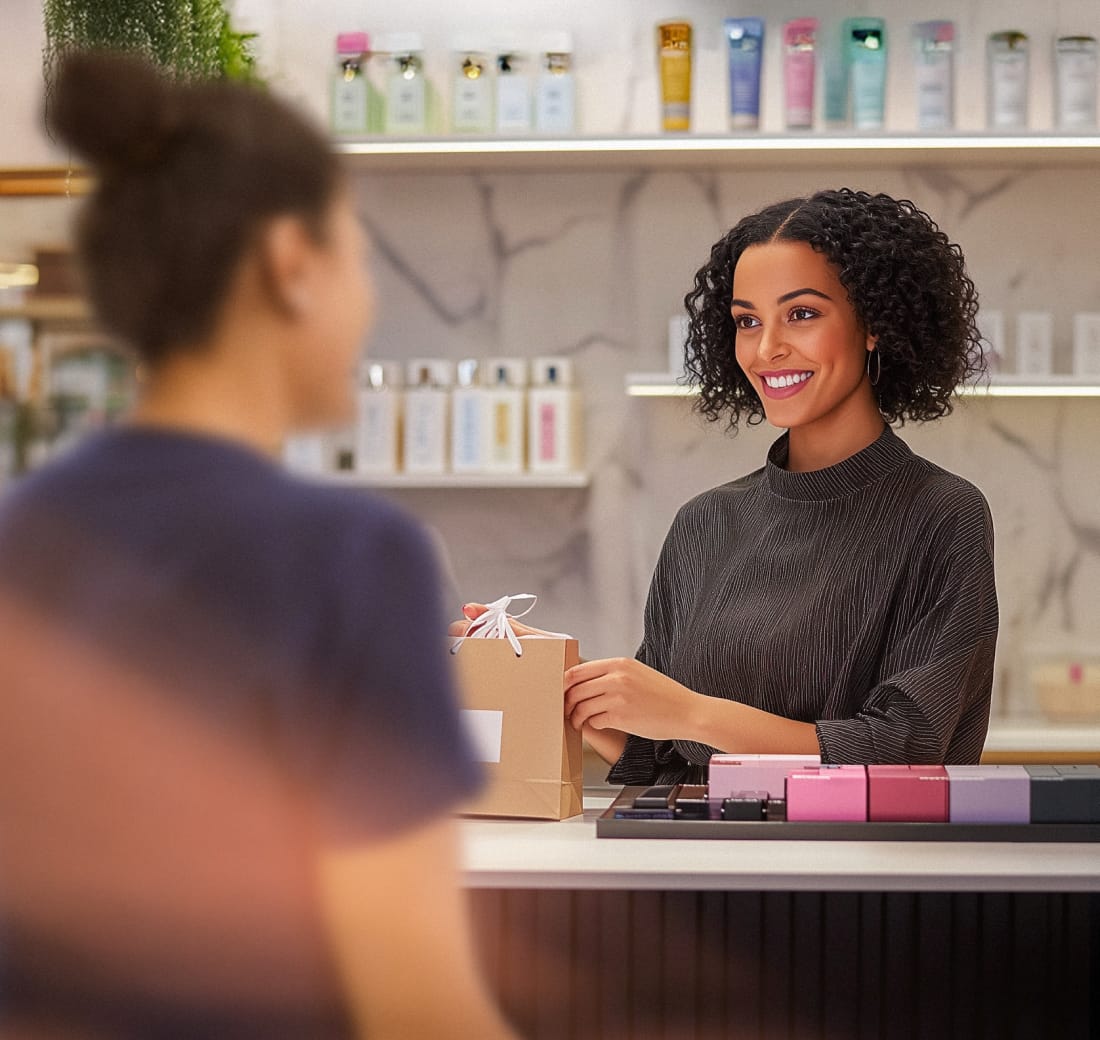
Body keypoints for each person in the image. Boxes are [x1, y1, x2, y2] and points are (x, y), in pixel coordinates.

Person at [0, 51, 516, 1039]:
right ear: (291, 263)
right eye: (356, 255)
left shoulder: (20, 532)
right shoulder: (350, 558)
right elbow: (418, 1011)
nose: (367, 302)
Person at [466, 189, 998, 785]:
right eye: (748, 321)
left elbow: (907, 750)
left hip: (852, 849)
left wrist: (690, 713)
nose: (767, 349)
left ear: (874, 324)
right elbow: (662, 760)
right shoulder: (706, 521)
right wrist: (565, 681)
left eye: (802, 313)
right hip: (704, 846)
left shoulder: (941, 514)